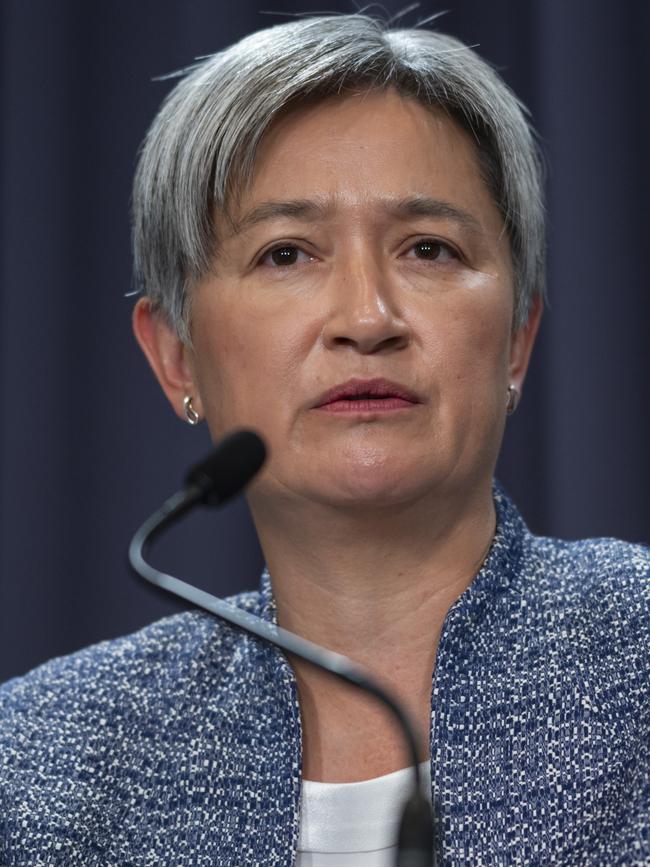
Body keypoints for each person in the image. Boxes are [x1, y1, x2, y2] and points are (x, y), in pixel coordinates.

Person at [0, 13, 648, 866]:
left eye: (428, 247)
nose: (367, 319)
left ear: (519, 339)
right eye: (286, 254)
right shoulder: (41, 760)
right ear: (175, 356)